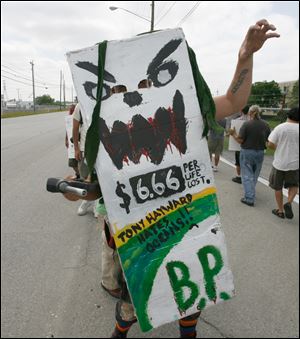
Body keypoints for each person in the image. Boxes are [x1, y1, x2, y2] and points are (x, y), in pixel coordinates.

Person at [108, 19, 280, 338]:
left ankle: (188, 331)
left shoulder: (189, 112)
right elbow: (96, 184)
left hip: (188, 224)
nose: (143, 89)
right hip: (137, 234)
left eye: (151, 80)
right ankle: (121, 331)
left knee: (192, 290)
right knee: (133, 294)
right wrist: (78, 191)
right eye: (133, 83)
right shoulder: (112, 128)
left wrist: (245, 55)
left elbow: (232, 101)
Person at [229, 105, 271, 206]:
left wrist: (233, 133)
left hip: (247, 152)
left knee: (247, 175)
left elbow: (240, 140)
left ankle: (249, 198)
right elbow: (268, 140)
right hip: (260, 152)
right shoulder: (266, 124)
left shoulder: (246, 124)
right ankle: (251, 192)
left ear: (250, 113)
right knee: (255, 174)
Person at [267, 107, 299, 219]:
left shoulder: (280, 127)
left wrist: (278, 148)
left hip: (279, 163)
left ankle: (280, 210)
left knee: (278, 187)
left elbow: (270, 144)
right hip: (295, 164)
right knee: (294, 185)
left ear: (288, 115)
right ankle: (289, 202)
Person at [73, 102, 98, 216]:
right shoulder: (80, 105)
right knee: (86, 178)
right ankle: (86, 202)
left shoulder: (104, 101)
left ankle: (96, 205)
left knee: (99, 179)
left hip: (102, 149)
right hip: (85, 149)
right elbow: (75, 127)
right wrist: (77, 149)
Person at [231, 105, 250, 183]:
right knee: (247, 163)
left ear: (241, 111)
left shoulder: (236, 121)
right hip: (249, 146)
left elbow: (232, 131)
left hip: (238, 146)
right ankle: (246, 177)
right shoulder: (251, 121)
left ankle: (239, 176)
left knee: (238, 162)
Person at [65, 104, 80, 179]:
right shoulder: (69, 119)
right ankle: (78, 174)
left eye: (72, 110)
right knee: (72, 163)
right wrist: (66, 140)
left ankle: (81, 175)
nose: (70, 111)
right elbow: (68, 130)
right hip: (72, 144)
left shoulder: (79, 116)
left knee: (79, 160)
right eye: (70, 110)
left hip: (79, 142)